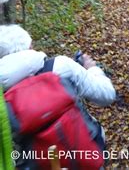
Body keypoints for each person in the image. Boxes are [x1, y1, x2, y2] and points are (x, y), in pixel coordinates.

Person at [0, 24, 116, 159]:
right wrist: (92, 69)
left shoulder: (3, 98)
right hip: (86, 155)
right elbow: (107, 95)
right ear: (30, 46)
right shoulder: (61, 66)